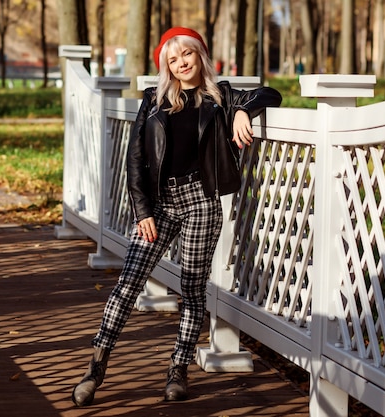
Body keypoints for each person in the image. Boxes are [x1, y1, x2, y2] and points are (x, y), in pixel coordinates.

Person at [71, 26, 282, 407]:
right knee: (128, 283)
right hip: (161, 204)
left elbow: (271, 93)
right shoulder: (154, 100)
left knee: (192, 289)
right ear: (166, 67)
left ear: (199, 54)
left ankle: (178, 370)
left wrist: (242, 112)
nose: (181, 63)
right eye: (172, 59)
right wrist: (142, 211)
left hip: (202, 201)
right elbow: (135, 158)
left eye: (186, 54)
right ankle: (95, 368)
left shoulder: (222, 96)